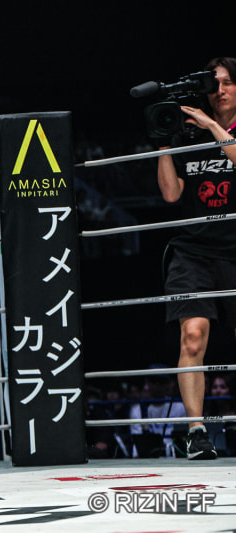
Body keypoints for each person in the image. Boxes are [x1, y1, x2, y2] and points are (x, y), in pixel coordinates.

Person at [157, 56, 236, 461]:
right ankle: (196, 432)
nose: (219, 90)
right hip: (193, 250)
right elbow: (171, 194)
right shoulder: (189, 136)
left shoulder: (213, 129)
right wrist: (164, 142)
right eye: (213, 83)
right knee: (192, 335)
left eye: (228, 82)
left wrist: (210, 126)